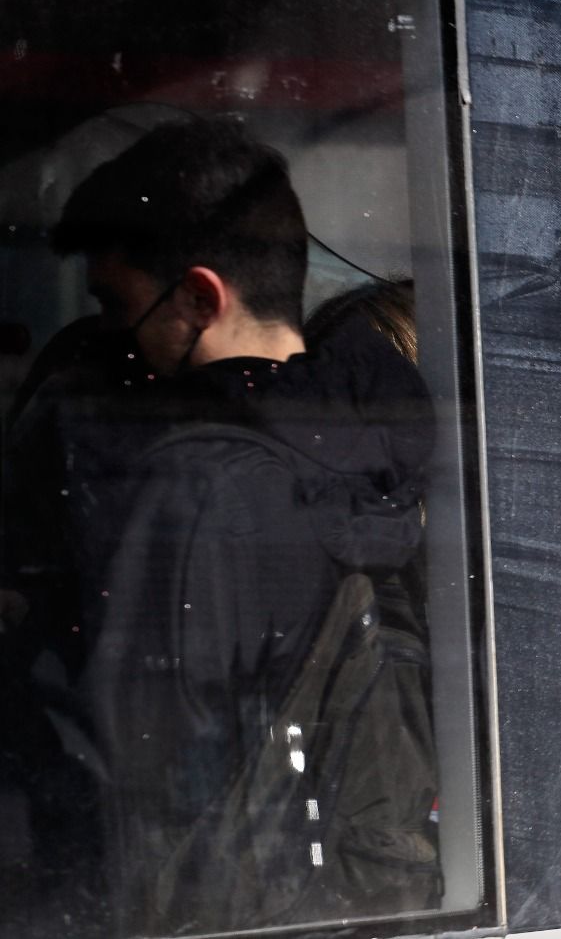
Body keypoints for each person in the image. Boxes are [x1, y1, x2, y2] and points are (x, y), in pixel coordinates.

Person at [47, 118, 437, 931]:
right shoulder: (382, 462)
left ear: (198, 298)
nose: (110, 341)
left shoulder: (193, 490)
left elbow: (144, 799)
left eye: (118, 305)